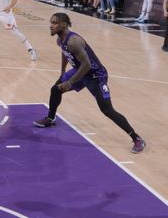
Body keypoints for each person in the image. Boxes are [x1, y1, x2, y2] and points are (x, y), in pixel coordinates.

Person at [33, 13, 146, 154]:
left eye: (54, 23)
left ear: (64, 25)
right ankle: (51, 118)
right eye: (51, 22)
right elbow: (65, 52)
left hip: (95, 76)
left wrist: (70, 82)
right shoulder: (60, 40)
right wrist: (63, 70)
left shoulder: (74, 41)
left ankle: (137, 138)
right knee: (55, 90)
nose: (51, 25)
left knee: (107, 110)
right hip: (79, 70)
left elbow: (86, 64)